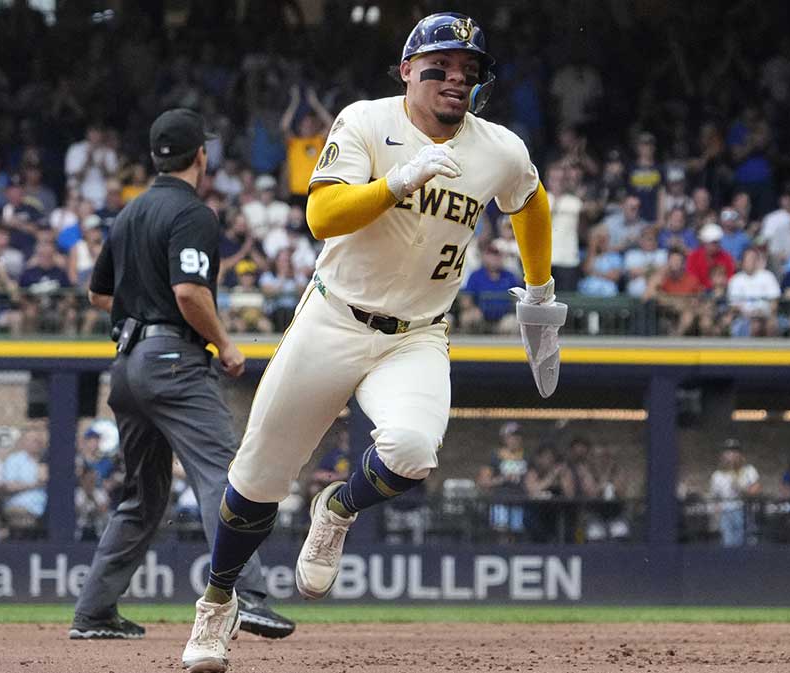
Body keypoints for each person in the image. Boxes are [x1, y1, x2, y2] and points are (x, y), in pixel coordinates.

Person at [189, 14, 557, 671]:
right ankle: (217, 603)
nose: (454, 78)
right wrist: (398, 181)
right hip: (334, 318)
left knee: (413, 450)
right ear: (407, 69)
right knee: (256, 479)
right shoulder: (366, 120)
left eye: (468, 71)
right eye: (440, 66)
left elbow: (529, 200)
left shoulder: (496, 147)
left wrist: (538, 287)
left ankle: (338, 508)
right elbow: (321, 214)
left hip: (416, 334)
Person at [70, 109, 294, 649]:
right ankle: (249, 594)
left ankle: (95, 610)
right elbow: (190, 293)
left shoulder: (129, 214)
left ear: (155, 157)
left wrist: (140, 307)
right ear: (201, 156)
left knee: (142, 497)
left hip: (126, 367)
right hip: (173, 362)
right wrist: (227, 343)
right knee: (223, 472)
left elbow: (99, 294)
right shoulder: (193, 213)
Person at [708, 442, 760, 547]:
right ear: (722, 456)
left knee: (746, 541)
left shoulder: (749, 470)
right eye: (728, 452)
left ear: (740, 455)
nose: (731, 455)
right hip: (726, 513)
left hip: (744, 510)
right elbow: (715, 498)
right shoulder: (717, 475)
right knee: (729, 543)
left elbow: (756, 490)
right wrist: (716, 517)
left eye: (735, 452)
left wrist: (742, 489)